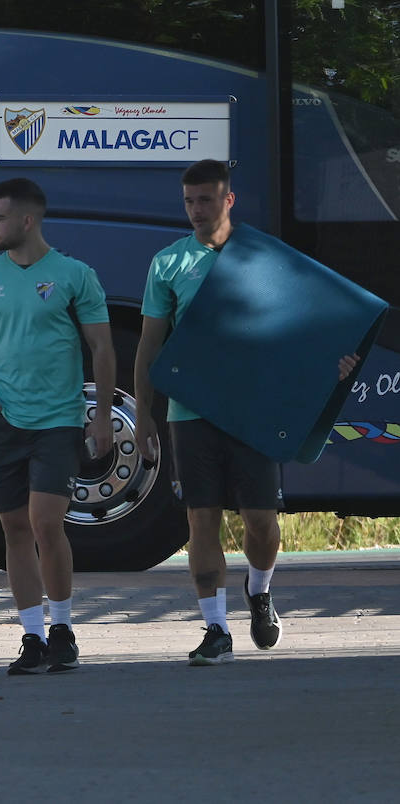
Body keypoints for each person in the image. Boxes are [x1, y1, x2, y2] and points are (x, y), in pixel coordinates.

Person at [133, 159, 359, 666]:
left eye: (206, 200)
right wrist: (144, 410)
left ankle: (259, 590)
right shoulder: (168, 263)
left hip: (252, 410)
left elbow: (304, 326)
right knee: (201, 521)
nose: (196, 210)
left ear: (228, 200)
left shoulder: (260, 256)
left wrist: (335, 365)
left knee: (261, 520)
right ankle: (215, 629)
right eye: (189, 201)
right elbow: (150, 343)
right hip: (190, 413)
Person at [0, 178, 115, 674]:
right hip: (3, 420)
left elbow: (103, 349)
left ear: (27, 220)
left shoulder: (74, 274)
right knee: (14, 527)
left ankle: (62, 628)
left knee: (45, 522)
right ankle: (33, 637)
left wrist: (101, 415)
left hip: (58, 419)